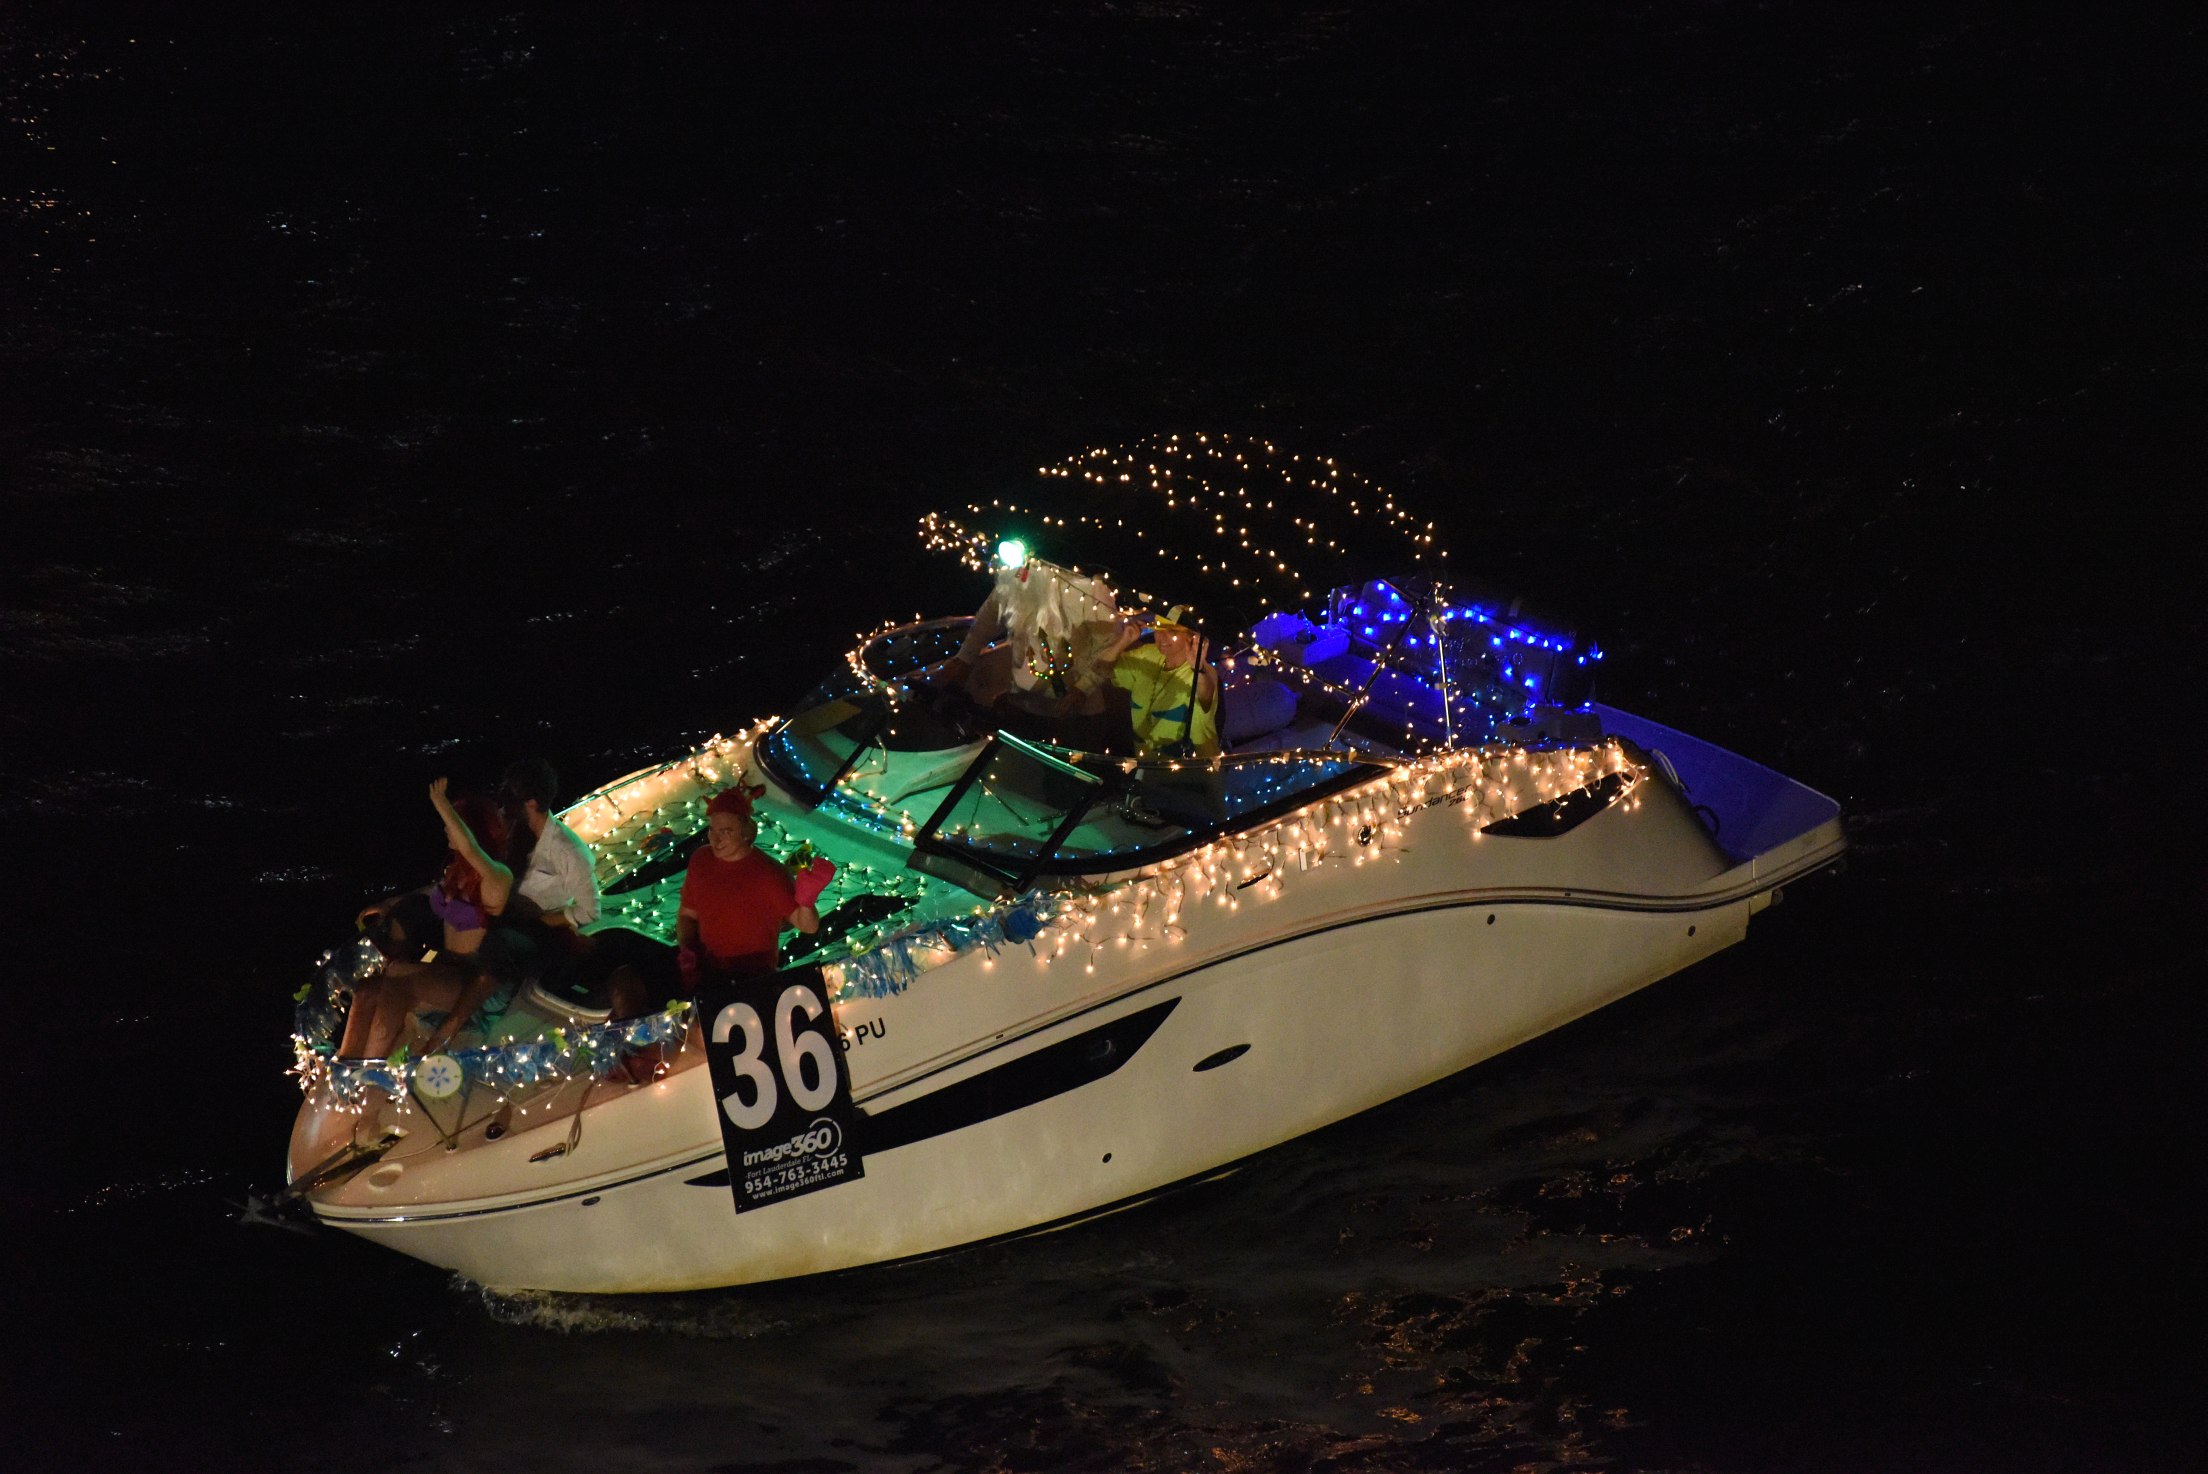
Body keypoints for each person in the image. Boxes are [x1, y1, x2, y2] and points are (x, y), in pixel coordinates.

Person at [338, 780, 517, 1060]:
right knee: (367, 987)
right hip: (445, 968)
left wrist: (440, 802)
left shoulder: (498, 877)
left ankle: (371, 1066)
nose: (446, 829)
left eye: (452, 824)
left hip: (472, 979)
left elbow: (471, 848)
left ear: (470, 829)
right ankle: (346, 1062)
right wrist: (388, 903)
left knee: (397, 980)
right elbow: (432, 891)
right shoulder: (457, 872)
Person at [675, 787, 833, 986]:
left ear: (746, 834)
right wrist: (688, 949)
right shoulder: (701, 859)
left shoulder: (769, 874)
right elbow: (687, 915)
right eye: (712, 830)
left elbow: (808, 926)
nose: (715, 839)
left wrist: (806, 902)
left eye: (725, 832)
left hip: (754, 978)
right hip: (706, 973)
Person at [1110, 606, 1222, 758]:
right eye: (1158, 629)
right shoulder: (1148, 654)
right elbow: (1100, 669)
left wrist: (1199, 668)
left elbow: (1205, 691)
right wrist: (1123, 641)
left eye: (1172, 631)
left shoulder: (1204, 671)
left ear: (1191, 636)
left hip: (1191, 766)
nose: (1162, 637)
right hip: (1145, 763)